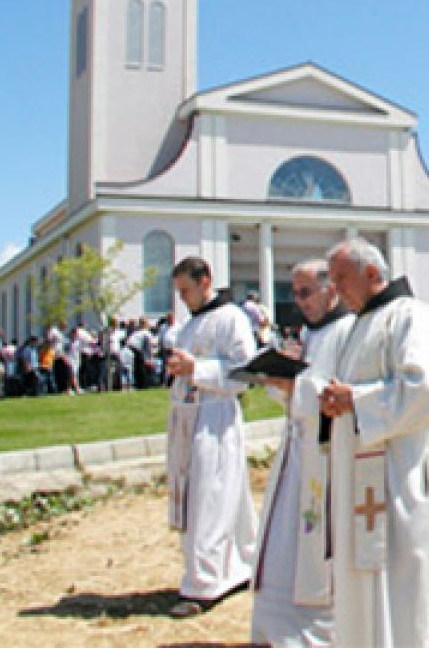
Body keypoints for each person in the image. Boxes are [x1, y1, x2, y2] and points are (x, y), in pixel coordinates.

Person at [320, 239, 429, 647]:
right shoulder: (357, 324)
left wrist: (355, 400)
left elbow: (426, 390)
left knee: (408, 574)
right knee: (365, 576)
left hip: (402, 476)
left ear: (373, 274)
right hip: (361, 475)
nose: (335, 289)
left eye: (342, 279)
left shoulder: (411, 315)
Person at [251, 259, 355, 647]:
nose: (298, 301)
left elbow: (340, 392)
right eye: (294, 293)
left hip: (326, 457)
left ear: (330, 290)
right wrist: (281, 378)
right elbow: (293, 394)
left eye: (305, 292)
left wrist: (298, 387)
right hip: (295, 453)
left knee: (316, 548)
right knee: (283, 541)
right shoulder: (309, 334)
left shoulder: (348, 332)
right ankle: (275, 627)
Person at [164, 256, 258, 618]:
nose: (183, 298)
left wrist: (196, 369)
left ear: (206, 282)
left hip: (216, 419)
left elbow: (245, 372)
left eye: (186, 290)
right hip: (190, 417)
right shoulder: (190, 326)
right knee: (220, 497)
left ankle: (203, 584)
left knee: (210, 497)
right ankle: (238, 565)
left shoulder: (232, 318)